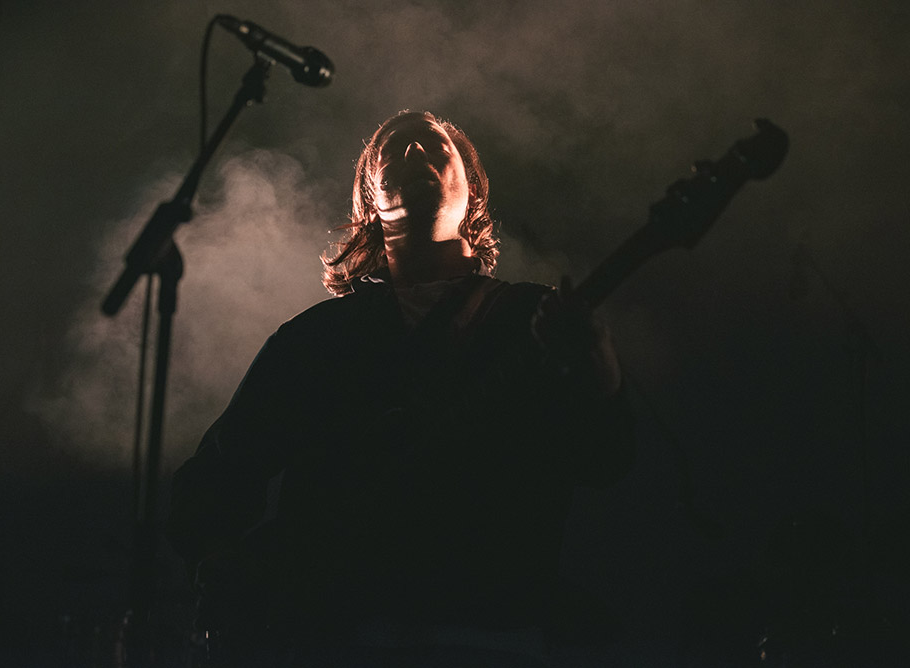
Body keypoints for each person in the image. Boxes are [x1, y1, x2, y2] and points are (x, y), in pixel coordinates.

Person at [167, 110, 635, 666]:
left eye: (436, 148)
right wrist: (224, 566)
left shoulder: (531, 318)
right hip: (333, 634)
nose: (416, 155)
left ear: (473, 194)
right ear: (370, 200)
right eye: (396, 150)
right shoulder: (316, 338)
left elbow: (604, 460)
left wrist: (599, 365)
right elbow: (220, 475)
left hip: (490, 630)